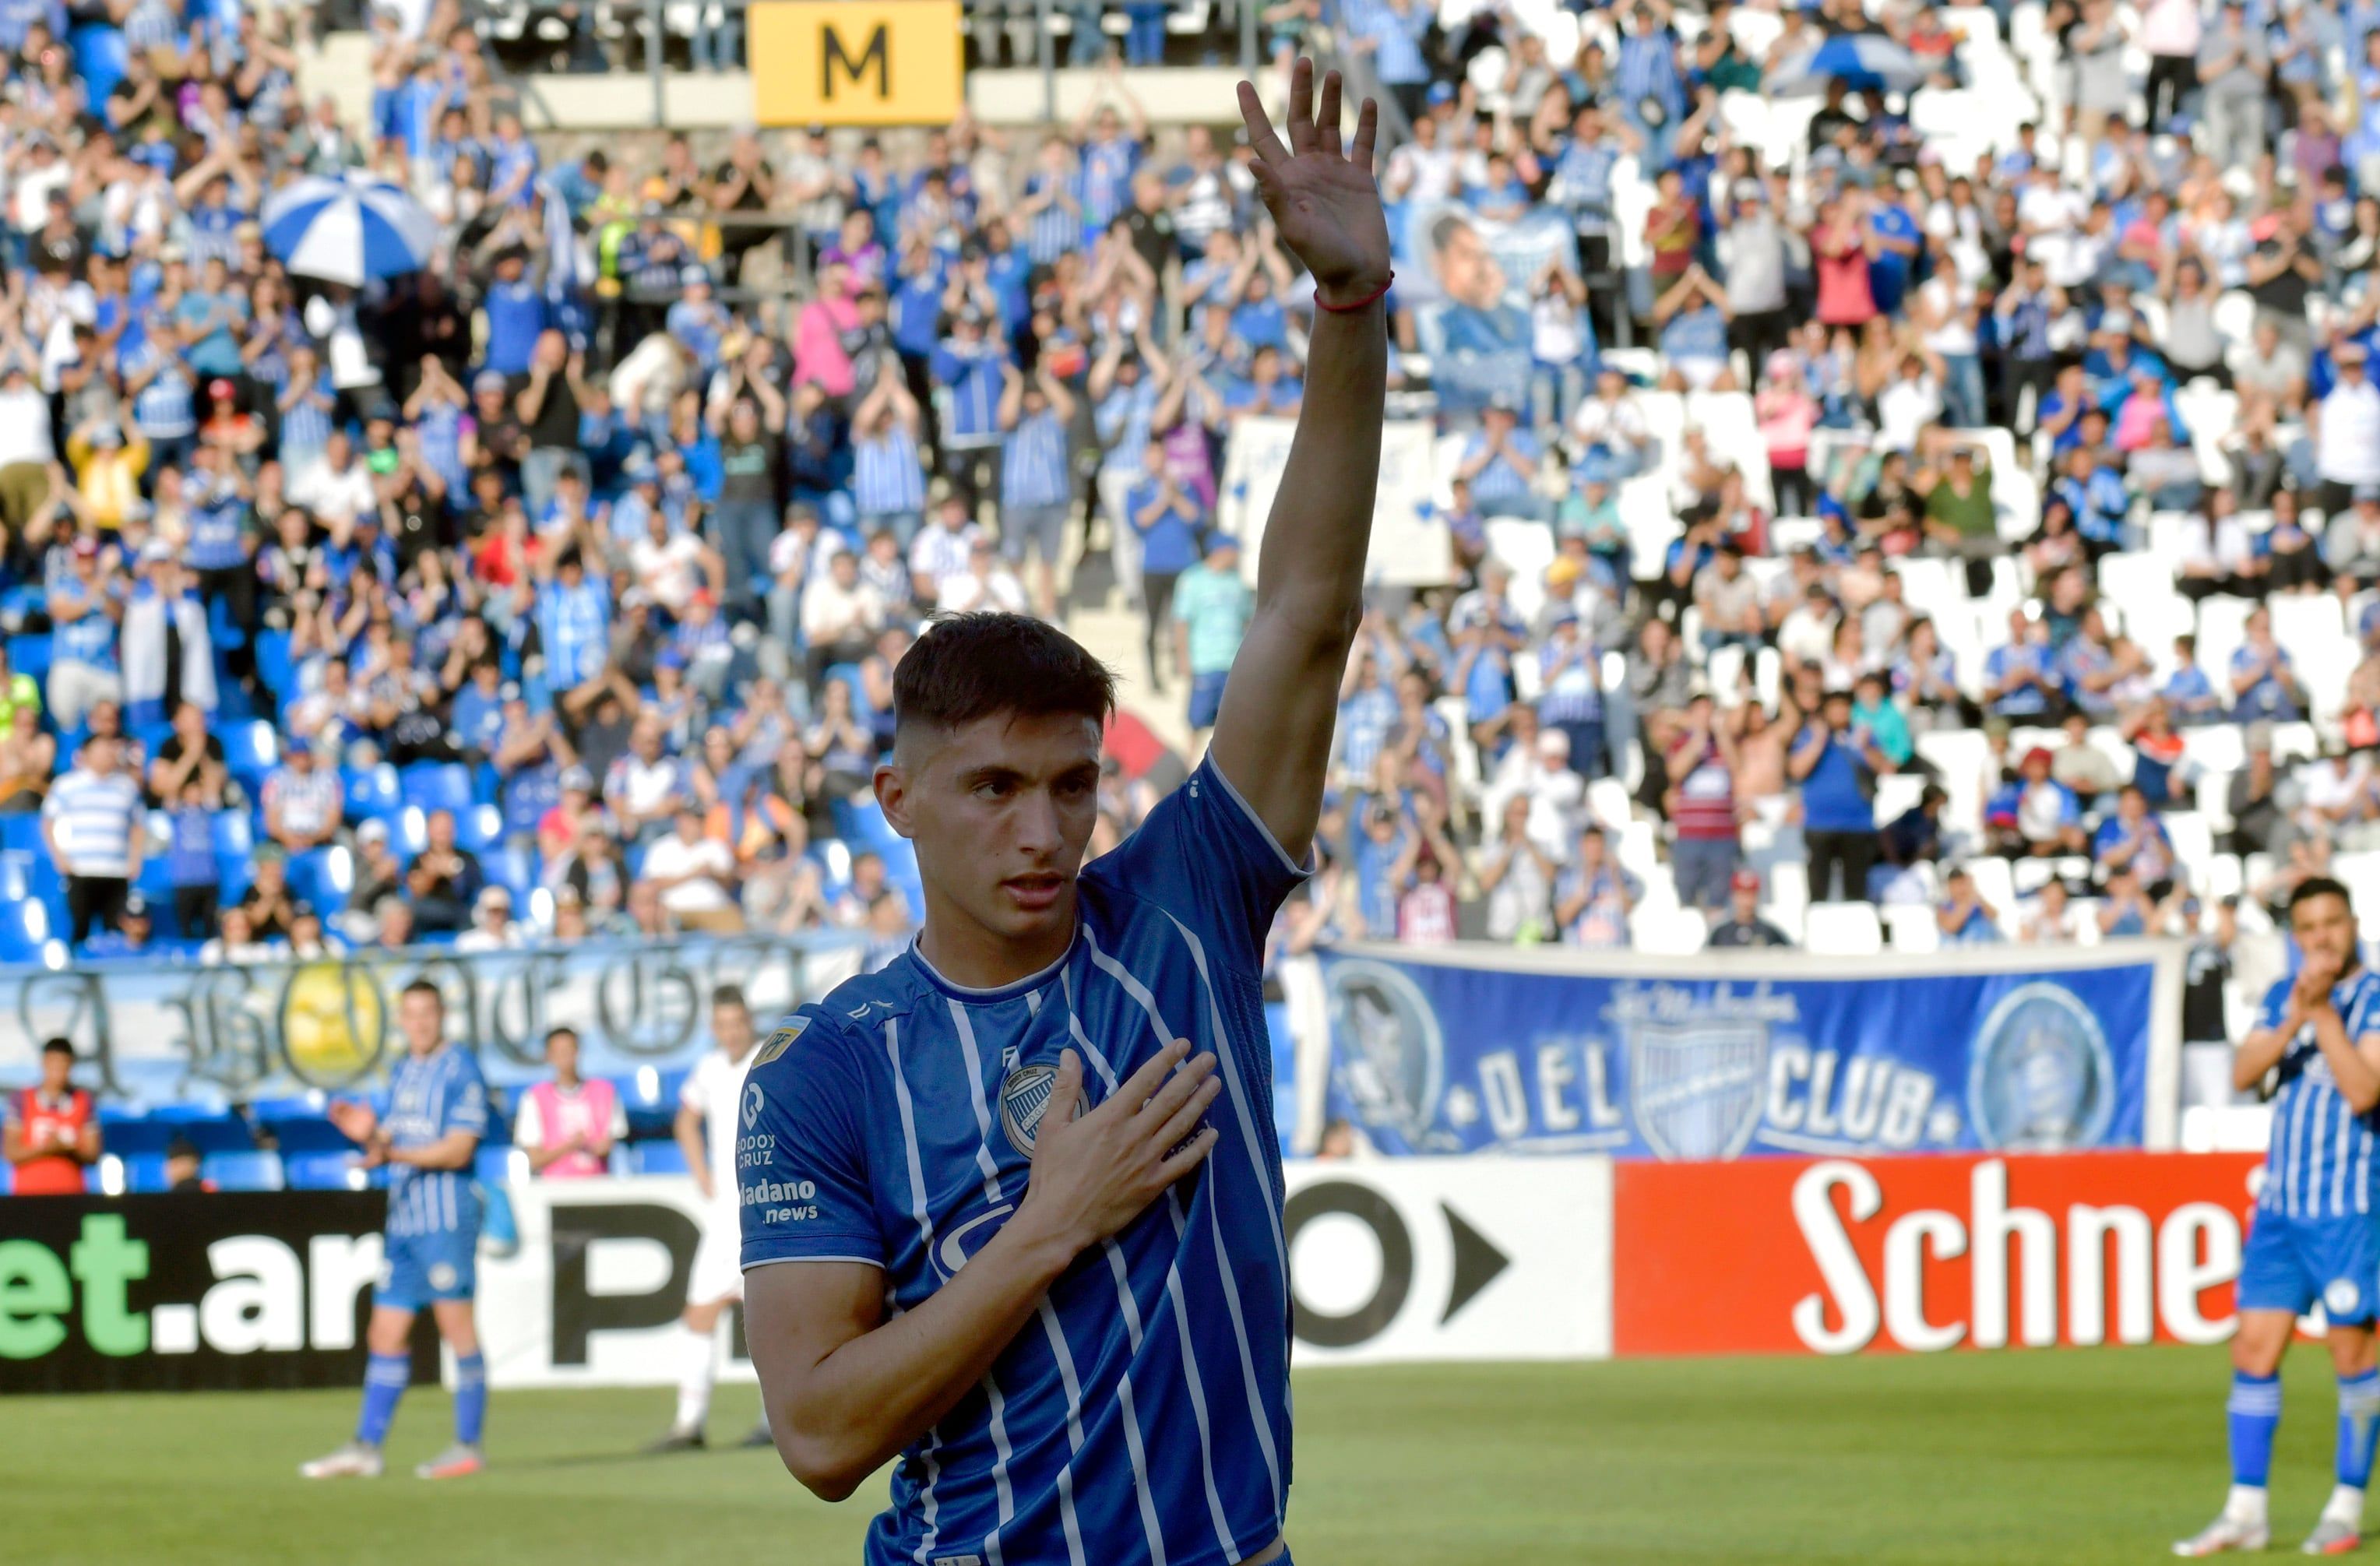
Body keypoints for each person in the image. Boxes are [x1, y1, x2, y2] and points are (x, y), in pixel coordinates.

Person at [737, 63, 1388, 1566]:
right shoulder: (825, 1078)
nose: (1044, 829)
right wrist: (1052, 1220)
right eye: (992, 788)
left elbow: (1303, 614)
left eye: (1074, 782)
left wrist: (1348, 314)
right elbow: (822, 1435)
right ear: (898, 800)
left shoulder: (1187, 907)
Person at [2175, 878, 2380, 1557]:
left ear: (2352, 924)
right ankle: (2246, 1510)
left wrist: (2323, 1016)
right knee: (2253, 1351)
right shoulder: (2279, 996)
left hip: (2348, 1208)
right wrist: (2296, 1012)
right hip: (2282, 1210)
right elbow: (2242, 1072)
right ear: (2296, 935)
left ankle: (2345, 1505)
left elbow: (2363, 1088)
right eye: (2309, 927)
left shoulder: (2374, 997)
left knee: (2353, 1358)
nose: (2322, 937)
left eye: (2332, 922)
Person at [303, 981, 490, 1481]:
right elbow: (396, 1139)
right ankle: (367, 1446)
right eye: (411, 1015)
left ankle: (468, 1445)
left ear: (442, 1014)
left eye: (428, 1013)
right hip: (403, 1221)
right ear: (401, 1020)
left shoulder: (461, 1070)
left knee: (458, 1330)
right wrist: (371, 1136)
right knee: (383, 1333)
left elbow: (459, 1149)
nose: (420, 1023)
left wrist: (392, 1153)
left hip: (445, 1220)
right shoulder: (404, 1070)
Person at [649, 988, 774, 1452]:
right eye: (723, 1024)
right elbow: (686, 1119)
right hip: (725, 1215)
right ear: (714, 1028)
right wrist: (701, 1173)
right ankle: (689, 1425)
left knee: (770, 1318)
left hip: (765, 1208)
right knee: (700, 1313)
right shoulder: (709, 1068)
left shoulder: (770, 1057)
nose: (731, 1032)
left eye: (737, 1022)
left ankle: (772, 1422)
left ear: (749, 1020)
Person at [42, 734, 144, 944]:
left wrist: (135, 860)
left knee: (115, 933)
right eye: (101, 749)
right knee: (80, 929)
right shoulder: (66, 785)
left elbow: (138, 825)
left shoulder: (126, 787)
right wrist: (59, 858)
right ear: (86, 754)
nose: (108, 754)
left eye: (110, 749)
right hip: (81, 870)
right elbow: (47, 822)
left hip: (116, 871)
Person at [515, 1027, 625, 1180]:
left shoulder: (605, 1091)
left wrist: (592, 1147)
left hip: (598, 1186)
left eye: (569, 1050)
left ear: (578, 1052)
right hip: (553, 1190)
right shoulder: (533, 1097)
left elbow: (609, 1144)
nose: (565, 1057)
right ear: (548, 1056)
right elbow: (535, 1159)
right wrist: (571, 1145)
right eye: (559, 1052)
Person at [3, 1038, 100, 1195]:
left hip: (72, 1196)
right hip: (28, 1198)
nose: (59, 1068)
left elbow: (93, 1154)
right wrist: (47, 1149)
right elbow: (11, 1152)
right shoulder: (21, 1100)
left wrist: (69, 1150)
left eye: (64, 1063)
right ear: (44, 1062)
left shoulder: (83, 1101)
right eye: (54, 1062)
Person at [1706, 868, 1792, 948]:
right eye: (1742, 895)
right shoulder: (1721, 934)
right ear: (1733, 896)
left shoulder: (1770, 933)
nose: (1746, 902)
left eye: (1751, 895)